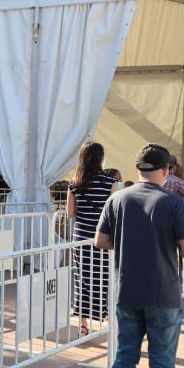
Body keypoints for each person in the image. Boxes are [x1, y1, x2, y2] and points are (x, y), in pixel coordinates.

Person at [95, 144, 184, 368]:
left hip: (126, 290)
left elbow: (100, 241)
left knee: (124, 358)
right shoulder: (173, 203)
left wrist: (130, 243)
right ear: (166, 170)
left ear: (138, 168)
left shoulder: (117, 199)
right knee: (161, 365)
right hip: (163, 293)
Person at [66, 141, 118, 335]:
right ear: (100, 158)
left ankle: (83, 324)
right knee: (104, 279)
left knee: (82, 280)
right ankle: (106, 317)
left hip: (80, 237)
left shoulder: (74, 183)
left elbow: (70, 213)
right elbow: (113, 213)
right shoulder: (110, 182)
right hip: (102, 237)